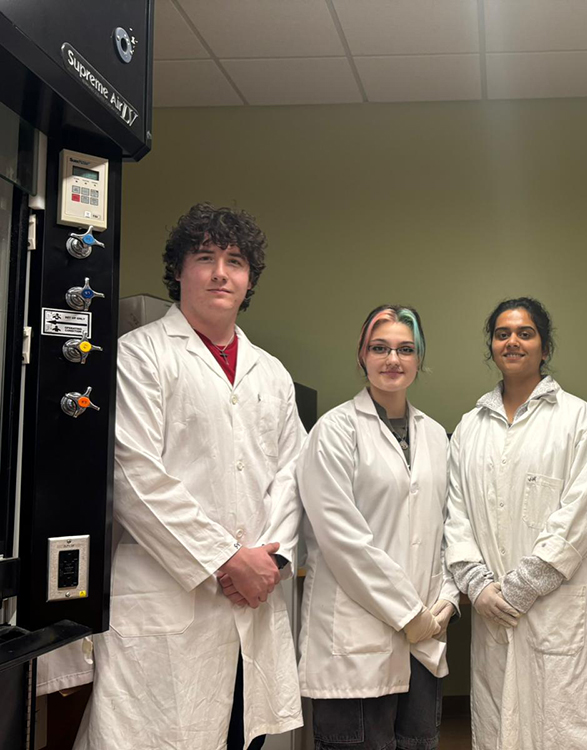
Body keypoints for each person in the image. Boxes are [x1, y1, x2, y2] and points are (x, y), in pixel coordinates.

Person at [74, 203, 305, 750]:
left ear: (249, 281)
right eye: (205, 258)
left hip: (252, 601)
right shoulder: (139, 356)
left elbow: (295, 475)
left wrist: (269, 562)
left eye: (235, 261)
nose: (221, 273)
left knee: (240, 734)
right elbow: (133, 473)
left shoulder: (272, 373)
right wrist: (226, 559)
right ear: (178, 270)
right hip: (170, 599)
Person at [445, 297, 587, 750]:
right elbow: (456, 514)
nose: (512, 342)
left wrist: (522, 586)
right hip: (493, 612)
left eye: (525, 333)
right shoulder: (469, 427)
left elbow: (583, 514)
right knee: (499, 729)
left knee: (563, 729)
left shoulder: (578, 419)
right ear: (491, 346)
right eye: (502, 334)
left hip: (558, 614)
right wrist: (478, 584)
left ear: (545, 346)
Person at [296, 304, 460, 750]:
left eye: (405, 349)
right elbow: (343, 540)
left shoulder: (436, 436)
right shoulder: (334, 431)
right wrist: (409, 614)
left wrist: (447, 599)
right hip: (357, 645)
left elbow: (450, 527)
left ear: (419, 358)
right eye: (380, 348)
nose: (393, 359)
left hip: (424, 639)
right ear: (362, 356)